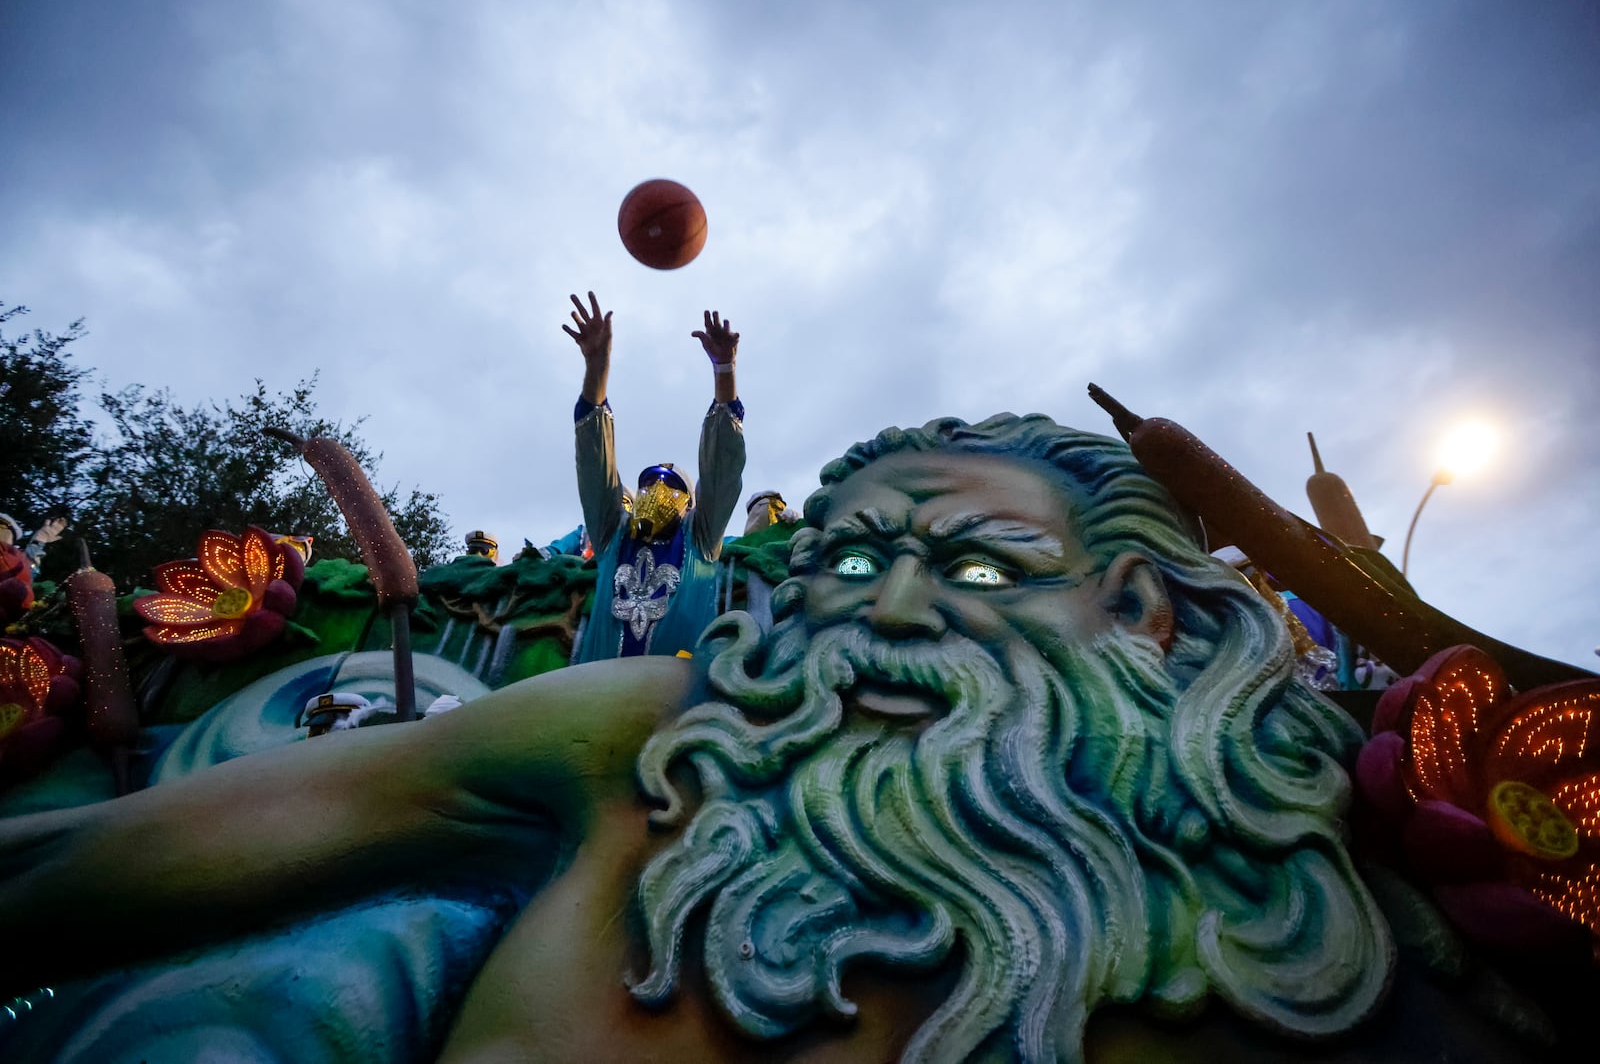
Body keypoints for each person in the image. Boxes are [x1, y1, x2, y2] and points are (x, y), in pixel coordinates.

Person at [0, 414, 1429, 1063]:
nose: (902, 606)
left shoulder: (1337, 882)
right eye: (856, 563)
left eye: (983, 570)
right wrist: (598, 403)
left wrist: (723, 402)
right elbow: (91, 865)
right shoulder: (649, 732)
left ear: (1136, 608)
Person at [566, 291, 745, 662]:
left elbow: (722, 469)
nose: (657, 488)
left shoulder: (700, 537)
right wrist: (597, 367)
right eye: (648, 481)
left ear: (692, 503)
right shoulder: (611, 534)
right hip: (598, 697)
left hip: (677, 703)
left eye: (672, 484)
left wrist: (724, 371)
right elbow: (594, 462)